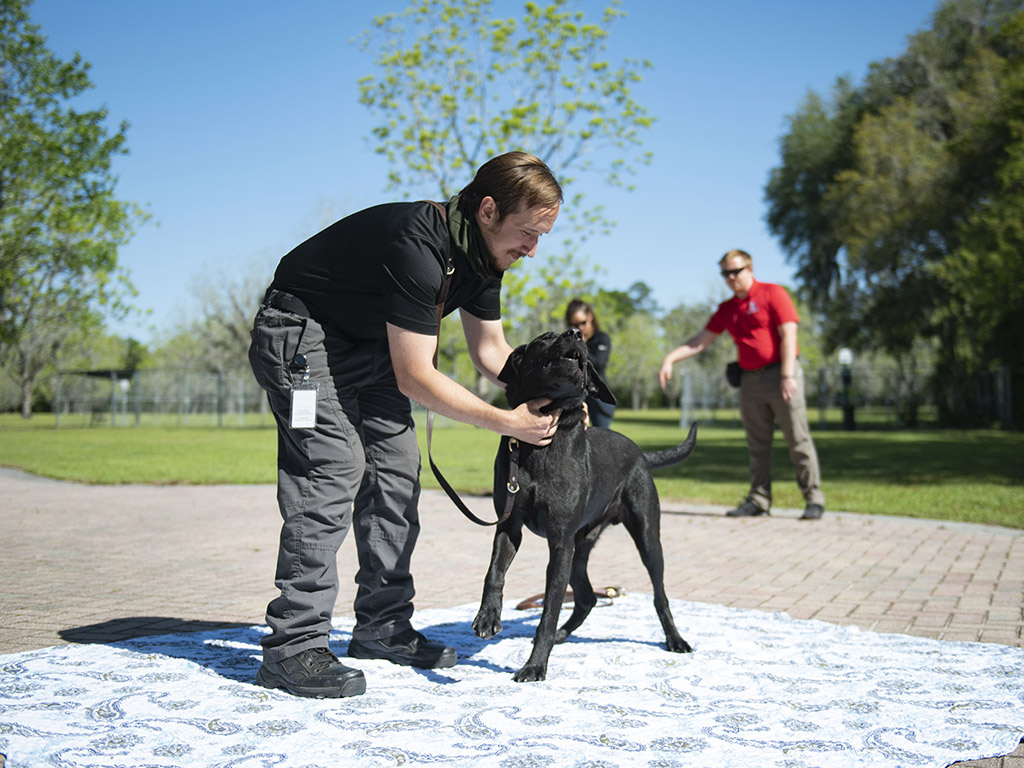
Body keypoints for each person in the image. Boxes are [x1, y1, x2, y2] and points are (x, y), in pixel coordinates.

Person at [248, 152, 563, 699]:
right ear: (488, 210)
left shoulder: (485, 257)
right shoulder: (419, 245)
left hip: (370, 348)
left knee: (396, 473)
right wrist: (504, 422)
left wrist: (552, 390)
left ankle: (382, 627)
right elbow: (417, 376)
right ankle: (293, 647)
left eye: (541, 236)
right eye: (528, 233)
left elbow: (491, 350)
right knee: (332, 470)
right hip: (301, 337)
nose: (533, 250)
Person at [657, 249, 825, 521]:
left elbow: (788, 335)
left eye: (736, 271)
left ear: (750, 268)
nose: (731, 277)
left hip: (782, 376)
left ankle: (813, 498)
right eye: (725, 273)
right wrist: (670, 358)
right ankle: (759, 499)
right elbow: (700, 341)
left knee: (798, 439)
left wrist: (787, 375)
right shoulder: (727, 309)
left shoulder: (773, 293)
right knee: (757, 444)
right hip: (750, 381)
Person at [564, 298, 615, 428]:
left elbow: (599, 364)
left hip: (597, 396)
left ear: (590, 316)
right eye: (575, 325)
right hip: (575, 394)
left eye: (583, 323)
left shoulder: (602, 338)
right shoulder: (569, 343)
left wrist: (581, 346)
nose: (580, 328)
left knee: (602, 436)